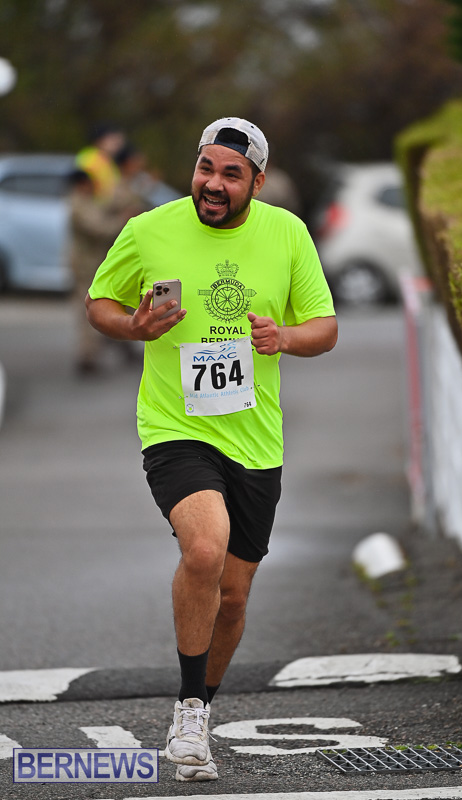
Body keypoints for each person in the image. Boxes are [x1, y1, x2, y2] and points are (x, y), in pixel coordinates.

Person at [85, 117, 337, 782]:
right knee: (203, 547)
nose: (213, 184)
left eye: (230, 173)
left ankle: (198, 703)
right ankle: (191, 714)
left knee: (233, 595)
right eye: (205, 168)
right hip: (175, 427)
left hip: (255, 439)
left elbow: (325, 326)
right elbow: (99, 303)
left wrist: (284, 337)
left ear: (256, 180)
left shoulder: (286, 234)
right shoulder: (148, 229)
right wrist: (134, 327)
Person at [68, 169, 137, 373]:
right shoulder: (77, 204)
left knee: (110, 304)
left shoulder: (86, 201)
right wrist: (123, 221)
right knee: (88, 310)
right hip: (84, 266)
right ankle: (87, 357)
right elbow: (98, 227)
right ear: (82, 184)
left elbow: (106, 211)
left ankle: (108, 347)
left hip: (91, 263)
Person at [76, 122, 125, 200]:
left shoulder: (108, 160)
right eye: (113, 139)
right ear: (99, 140)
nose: (119, 143)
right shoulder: (89, 159)